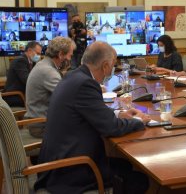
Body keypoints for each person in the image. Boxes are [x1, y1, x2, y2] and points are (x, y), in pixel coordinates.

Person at [34, 41, 150, 193]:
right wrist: (139, 121)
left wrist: (119, 114)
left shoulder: (73, 76)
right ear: (105, 65)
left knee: (125, 165)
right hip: (71, 170)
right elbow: (111, 128)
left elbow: (92, 111)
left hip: (59, 159)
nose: (113, 69)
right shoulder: (85, 84)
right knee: (140, 180)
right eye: (113, 64)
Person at [24, 36, 75, 138]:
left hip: (39, 122)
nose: (70, 59)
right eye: (70, 55)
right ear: (61, 54)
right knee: (85, 132)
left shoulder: (43, 65)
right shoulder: (48, 71)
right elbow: (69, 98)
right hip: (42, 126)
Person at [4, 41, 42, 107]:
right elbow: (27, 80)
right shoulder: (20, 61)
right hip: (15, 96)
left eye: (40, 54)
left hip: (23, 94)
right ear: (29, 50)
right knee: (42, 101)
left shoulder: (31, 62)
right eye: (37, 53)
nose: (39, 56)